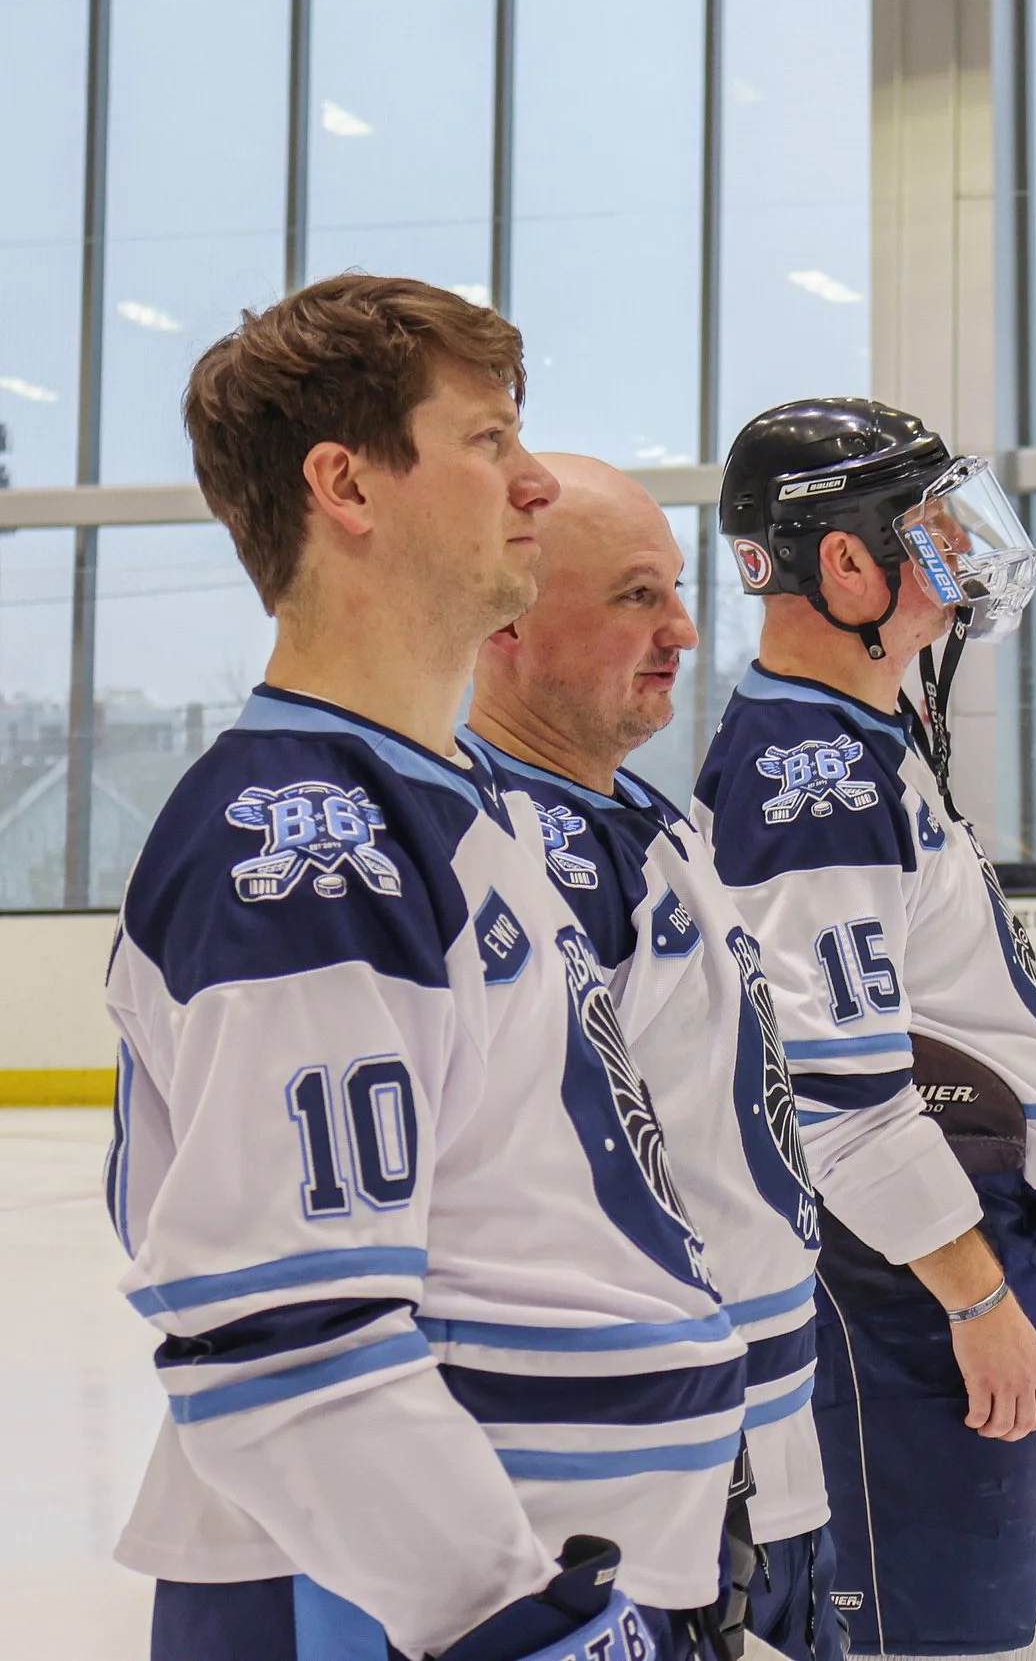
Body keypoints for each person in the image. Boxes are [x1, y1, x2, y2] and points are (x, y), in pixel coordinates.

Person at [108, 274, 731, 1659]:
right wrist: (509, 1614)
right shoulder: (310, 842)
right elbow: (289, 1331)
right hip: (397, 1604)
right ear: (347, 484)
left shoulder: (442, 803)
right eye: (490, 440)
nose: (530, 487)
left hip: (537, 1573)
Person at [695, 399, 1036, 1659]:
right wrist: (974, 1294)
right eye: (931, 531)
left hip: (957, 1243)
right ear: (841, 561)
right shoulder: (805, 771)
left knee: (1019, 1617)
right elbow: (834, 1098)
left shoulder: (870, 740)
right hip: (904, 1271)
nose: (963, 560)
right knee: (936, 1639)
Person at [466, 454, 842, 1656]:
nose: (683, 628)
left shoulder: (654, 820)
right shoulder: (495, 849)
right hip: (615, 1504)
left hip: (760, 1442)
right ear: (509, 611)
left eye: (676, 591)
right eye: (637, 595)